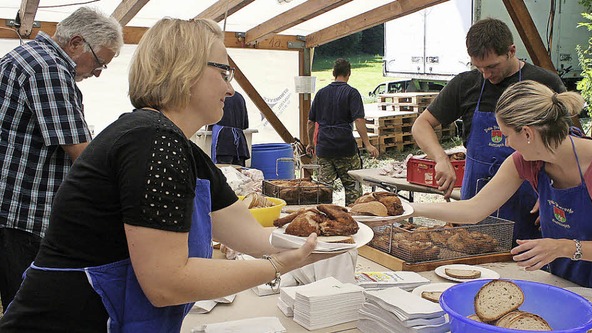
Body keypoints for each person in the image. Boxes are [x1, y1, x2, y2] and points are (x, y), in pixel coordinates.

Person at [0, 18, 338, 332]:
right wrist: (279, 266)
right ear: (185, 70)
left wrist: (321, 241)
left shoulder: (181, 147)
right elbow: (167, 283)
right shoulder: (150, 140)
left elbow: (252, 236)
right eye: (224, 73)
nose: (231, 90)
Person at [412, 80, 592, 300]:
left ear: (528, 134)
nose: (507, 143)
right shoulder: (526, 162)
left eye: (507, 135)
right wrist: (411, 209)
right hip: (565, 285)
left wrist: (562, 247)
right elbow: (474, 209)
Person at [0, 7, 123, 312]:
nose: (96, 73)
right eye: (99, 63)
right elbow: (82, 153)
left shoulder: (24, 56)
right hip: (20, 215)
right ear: (76, 42)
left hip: (9, 211)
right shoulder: (48, 67)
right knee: (31, 310)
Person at [411, 18, 566, 245]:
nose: (485, 74)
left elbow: (564, 144)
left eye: (492, 66)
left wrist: (554, 193)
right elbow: (421, 125)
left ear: (511, 51)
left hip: (530, 199)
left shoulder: (543, 82)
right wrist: (441, 159)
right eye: (478, 67)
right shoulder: (465, 84)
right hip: (476, 194)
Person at [306, 58, 379, 206]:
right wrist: (367, 144)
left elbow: (310, 122)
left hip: (324, 148)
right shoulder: (352, 93)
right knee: (353, 188)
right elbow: (359, 120)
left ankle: (324, 219)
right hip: (345, 148)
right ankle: (354, 221)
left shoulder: (320, 93)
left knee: (324, 190)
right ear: (348, 73)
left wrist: (310, 143)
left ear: (334, 73)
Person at [210, 91, 250, 166]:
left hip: (223, 139)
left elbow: (209, 119)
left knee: (222, 170)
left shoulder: (219, 96)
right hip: (240, 141)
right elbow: (245, 124)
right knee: (239, 173)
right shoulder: (240, 97)